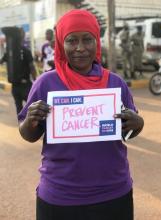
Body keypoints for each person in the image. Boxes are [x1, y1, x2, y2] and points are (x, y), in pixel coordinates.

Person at [18, 9, 144, 220]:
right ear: (60, 43)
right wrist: (30, 121)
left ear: (97, 42)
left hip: (113, 193)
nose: (80, 48)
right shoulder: (46, 83)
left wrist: (138, 123)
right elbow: (29, 135)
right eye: (71, 40)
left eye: (88, 39)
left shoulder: (115, 83)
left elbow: (126, 133)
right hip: (60, 195)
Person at [0, 28, 36, 114]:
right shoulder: (26, 51)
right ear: (22, 37)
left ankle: (21, 125)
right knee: (33, 106)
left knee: (19, 108)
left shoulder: (9, 52)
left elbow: (1, 61)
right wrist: (35, 81)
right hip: (25, 85)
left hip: (15, 86)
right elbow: (32, 67)